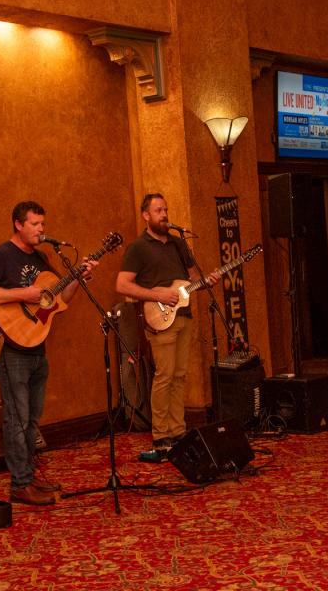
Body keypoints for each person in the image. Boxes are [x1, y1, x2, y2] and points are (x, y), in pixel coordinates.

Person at [0, 200, 95, 505]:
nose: (41, 230)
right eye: (35, 224)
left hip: (37, 345)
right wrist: (24, 293)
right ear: (18, 224)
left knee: (32, 418)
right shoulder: (0, 255)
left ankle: (27, 476)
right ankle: (19, 484)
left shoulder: (42, 258)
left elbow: (59, 299)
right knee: (17, 417)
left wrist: (78, 278)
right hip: (12, 347)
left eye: (43, 224)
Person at [116, 194, 207, 462]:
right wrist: (157, 296)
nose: (164, 214)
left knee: (179, 375)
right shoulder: (138, 248)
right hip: (159, 318)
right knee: (164, 375)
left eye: (166, 209)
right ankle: (161, 436)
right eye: (158, 210)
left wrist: (206, 279)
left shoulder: (178, 244)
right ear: (146, 215)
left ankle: (178, 431)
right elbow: (122, 285)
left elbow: (193, 278)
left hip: (184, 316)